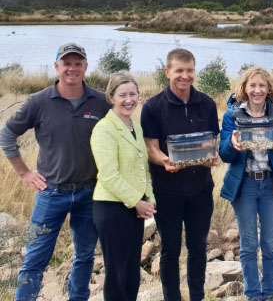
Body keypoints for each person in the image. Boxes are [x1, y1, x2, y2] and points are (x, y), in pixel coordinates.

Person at [0, 42, 110, 301]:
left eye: (77, 63)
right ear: (57, 66)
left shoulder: (101, 102)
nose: (72, 68)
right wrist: (25, 173)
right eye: (67, 63)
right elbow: (7, 134)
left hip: (89, 194)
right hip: (50, 194)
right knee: (35, 258)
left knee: (84, 256)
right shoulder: (38, 101)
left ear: (85, 68)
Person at [141, 48, 220, 301]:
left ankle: (197, 296)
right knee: (171, 249)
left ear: (194, 72)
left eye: (189, 71)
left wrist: (212, 157)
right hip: (167, 191)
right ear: (167, 72)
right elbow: (152, 148)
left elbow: (211, 142)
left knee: (198, 247)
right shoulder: (152, 106)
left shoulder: (206, 103)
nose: (184, 76)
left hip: (200, 190)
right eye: (179, 71)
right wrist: (164, 161)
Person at [219, 66, 273, 301]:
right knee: (249, 244)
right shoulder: (232, 116)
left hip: (271, 186)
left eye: (262, 85)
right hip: (245, 187)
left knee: (270, 244)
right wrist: (232, 144)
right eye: (252, 85)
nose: (257, 90)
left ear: (268, 88)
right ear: (245, 88)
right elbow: (224, 154)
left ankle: (270, 293)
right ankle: (253, 294)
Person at [90, 71, 156, 301]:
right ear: (111, 97)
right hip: (111, 209)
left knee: (131, 273)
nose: (129, 100)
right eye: (122, 95)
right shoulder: (104, 129)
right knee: (117, 274)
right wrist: (136, 202)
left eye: (133, 94)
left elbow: (143, 168)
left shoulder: (135, 127)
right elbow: (109, 175)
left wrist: (149, 197)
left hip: (134, 209)